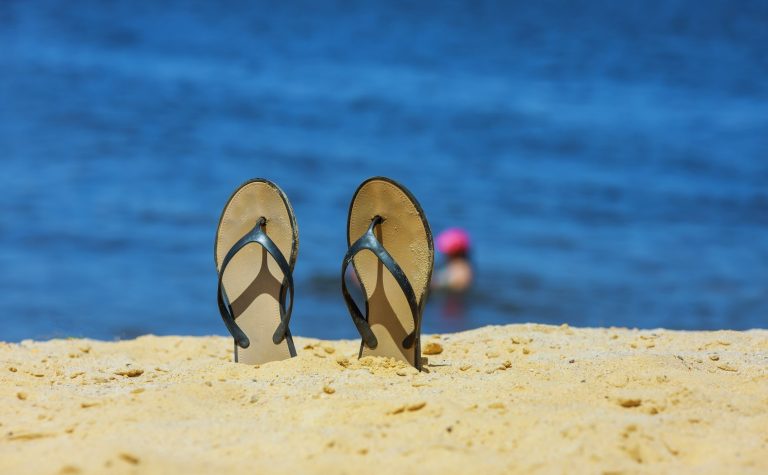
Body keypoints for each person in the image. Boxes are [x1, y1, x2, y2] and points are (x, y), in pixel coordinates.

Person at [432, 227, 473, 292]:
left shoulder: (459, 271)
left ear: (453, 253)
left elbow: (437, 283)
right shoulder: (465, 268)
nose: (443, 255)